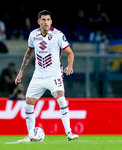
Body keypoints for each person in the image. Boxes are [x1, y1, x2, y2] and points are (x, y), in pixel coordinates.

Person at [15, 10, 78, 142]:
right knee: (28, 104)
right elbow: (28, 53)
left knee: (61, 99)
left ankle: (69, 133)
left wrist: (70, 66)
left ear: (51, 21)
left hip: (54, 74)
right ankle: (30, 135)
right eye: (43, 19)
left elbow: (70, 52)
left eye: (48, 19)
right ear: (39, 22)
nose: (46, 22)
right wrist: (21, 71)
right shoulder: (33, 35)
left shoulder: (58, 35)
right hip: (38, 75)